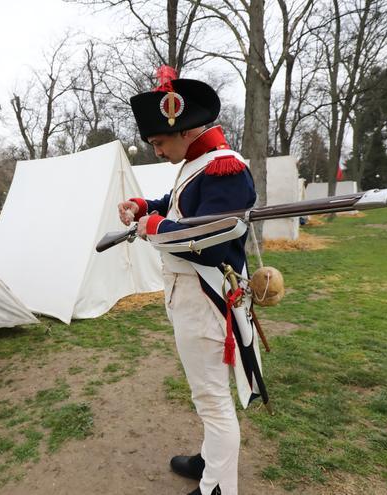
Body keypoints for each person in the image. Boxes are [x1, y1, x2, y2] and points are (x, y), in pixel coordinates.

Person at [117, 67, 257, 495]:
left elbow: (209, 243)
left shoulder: (224, 169)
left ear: (183, 128)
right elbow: (180, 207)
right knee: (206, 394)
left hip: (207, 294)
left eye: (159, 142)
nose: (157, 151)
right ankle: (209, 460)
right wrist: (146, 206)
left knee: (213, 401)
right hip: (191, 292)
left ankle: (217, 487)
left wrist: (154, 227)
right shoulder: (199, 163)